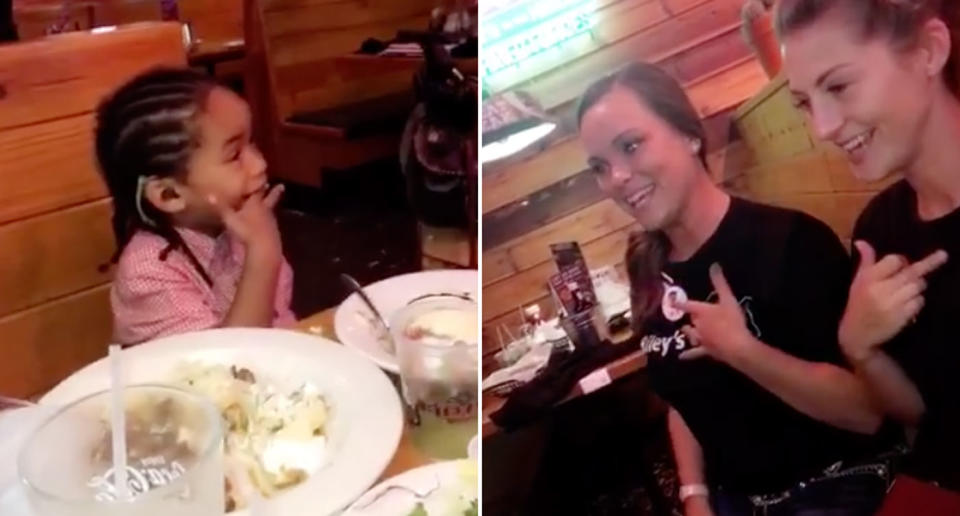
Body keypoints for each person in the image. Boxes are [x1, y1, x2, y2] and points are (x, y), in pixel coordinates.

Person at [577, 62, 897, 516]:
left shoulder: (790, 242)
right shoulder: (647, 264)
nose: (618, 178)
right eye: (600, 167)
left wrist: (744, 351)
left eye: (631, 146)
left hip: (836, 484)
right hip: (735, 501)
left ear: (690, 135)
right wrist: (695, 498)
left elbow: (867, 412)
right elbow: (684, 401)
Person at [776, 0, 960, 491]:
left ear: (929, 51)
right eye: (805, 102)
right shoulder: (879, 232)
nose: (823, 127)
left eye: (837, 86)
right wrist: (861, 348)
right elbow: (923, 414)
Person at [94, 68, 296, 345]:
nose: (260, 164)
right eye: (234, 155)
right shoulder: (148, 270)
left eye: (252, 143)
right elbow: (226, 366)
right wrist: (263, 254)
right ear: (168, 194)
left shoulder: (236, 226)